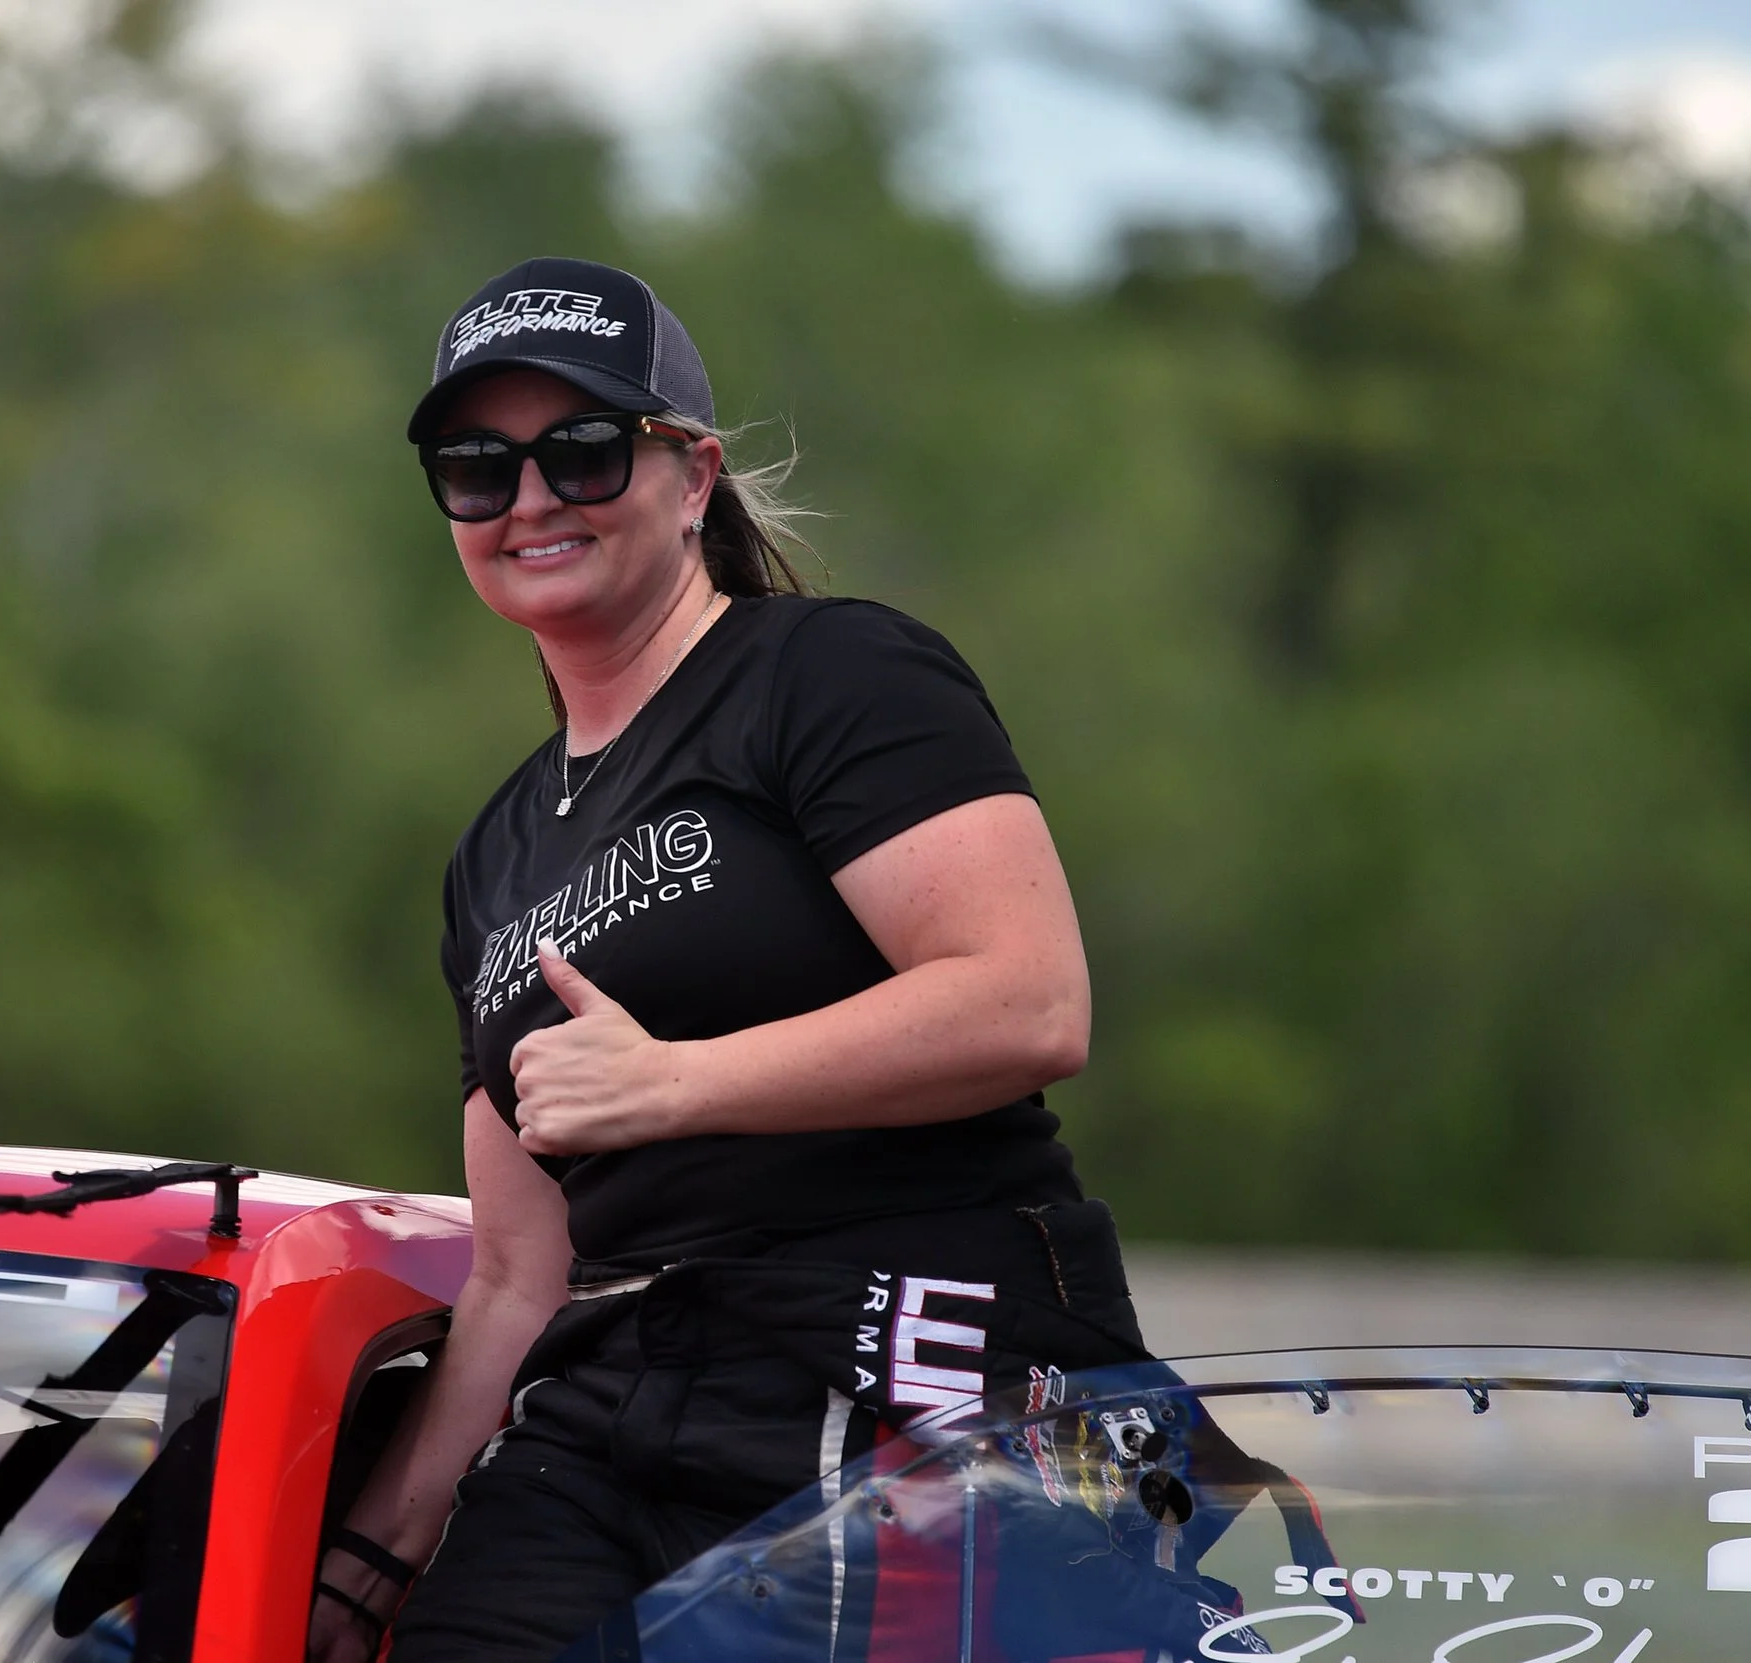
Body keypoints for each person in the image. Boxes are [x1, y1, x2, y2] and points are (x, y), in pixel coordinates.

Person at [305, 257, 1149, 1663]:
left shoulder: (829, 675)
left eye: (582, 450)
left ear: (692, 476)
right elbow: (517, 1278)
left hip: (894, 1353)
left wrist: (678, 1084)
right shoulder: (494, 856)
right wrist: (366, 1562)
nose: (529, 500)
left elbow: (1029, 1000)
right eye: (477, 467)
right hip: (614, 1400)